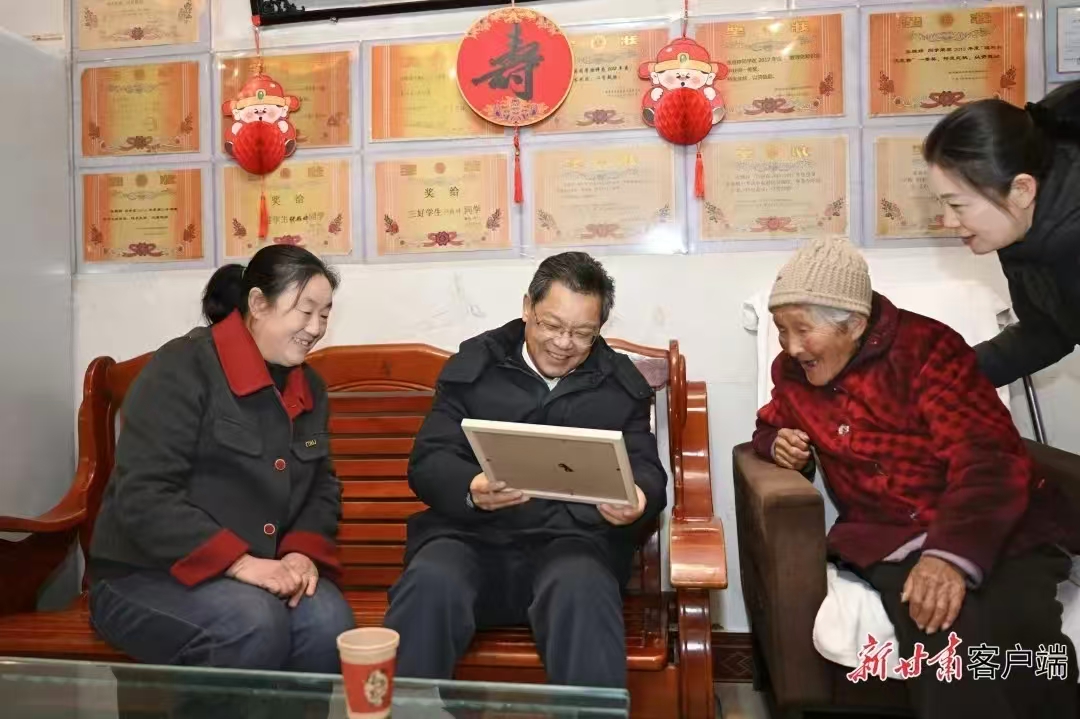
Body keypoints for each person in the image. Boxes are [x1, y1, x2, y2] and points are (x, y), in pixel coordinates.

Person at [752, 237, 1076, 718]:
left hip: (994, 524)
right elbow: (769, 424)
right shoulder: (793, 373)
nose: (791, 347)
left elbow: (987, 458)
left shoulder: (928, 349)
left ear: (853, 323)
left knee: (1019, 623)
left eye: (802, 330)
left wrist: (949, 556)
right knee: (941, 624)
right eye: (781, 330)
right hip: (888, 536)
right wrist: (775, 442)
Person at [383, 252, 668, 689]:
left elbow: (646, 468)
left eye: (582, 333)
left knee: (583, 589)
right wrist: (471, 489)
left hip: (572, 543)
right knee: (430, 582)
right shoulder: (476, 367)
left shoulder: (619, 384)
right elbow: (429, 459)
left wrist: (638, 499)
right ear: (527, 308)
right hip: (473, 538)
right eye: (551, 325)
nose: (564, 343)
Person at [88, 245, 355, 672]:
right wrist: (238, 562)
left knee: (327, 620)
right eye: (305, 312)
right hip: (145, 575)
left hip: (259, 572)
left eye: (324, 314)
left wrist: (300, 553)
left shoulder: (310, 387)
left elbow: (321, 486)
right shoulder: (183, 366)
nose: (316, 328)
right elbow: (145, 493)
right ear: (258, 304)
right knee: (251, 622)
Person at [923, 81, 1080, 387]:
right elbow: (1047, 331)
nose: (948, 221)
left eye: (957, 205)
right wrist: (939, 379)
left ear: (1021, 189)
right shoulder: (1023, 232)